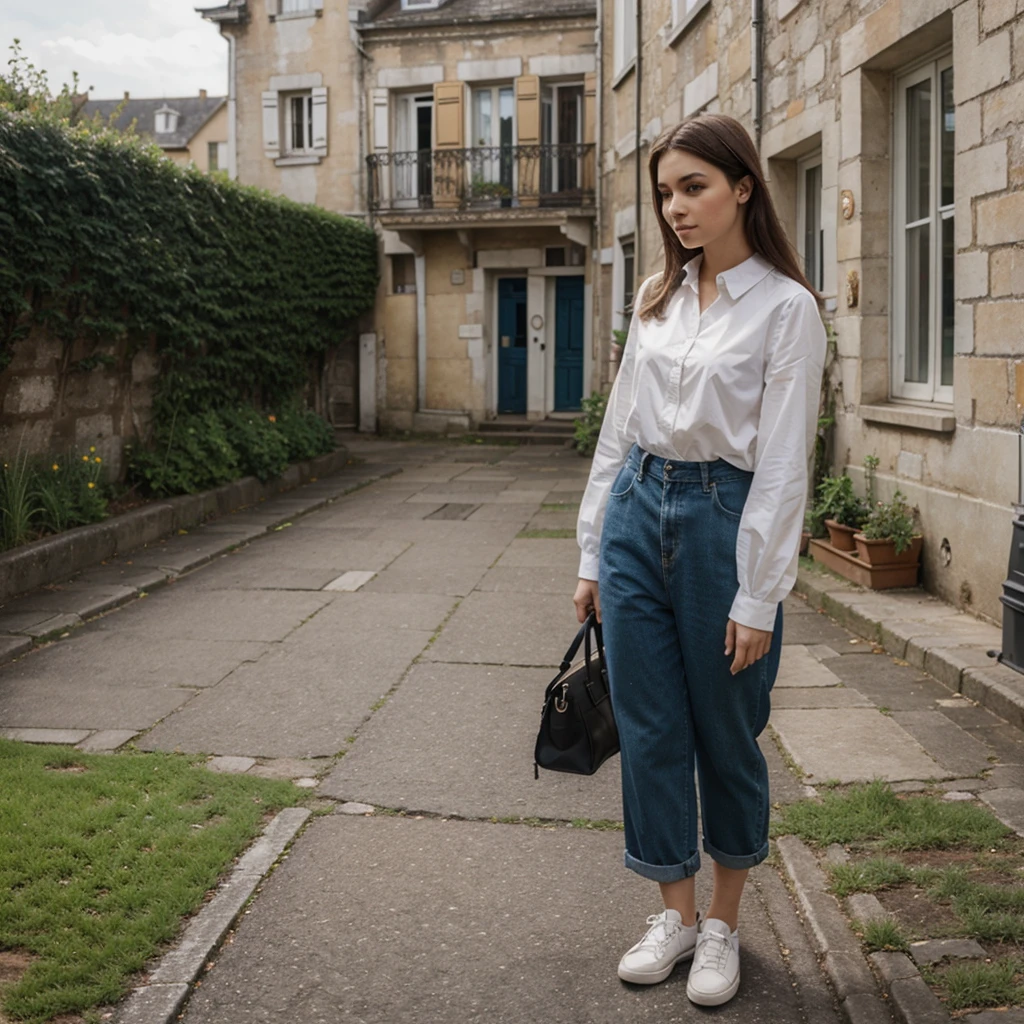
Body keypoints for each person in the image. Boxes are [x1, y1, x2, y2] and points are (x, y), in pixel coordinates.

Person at [573, 113, 827, 1007]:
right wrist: (593, 551)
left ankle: (722, 926)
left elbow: (788, 460)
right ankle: (673, 916)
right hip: (639, 511)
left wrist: (759, 594)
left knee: (727, 731)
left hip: (725, 520)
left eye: (695, 187)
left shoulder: (788, 309)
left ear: (744, 187)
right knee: (648, 731)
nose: (677, 207)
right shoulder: (657, 297)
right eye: (667, 192)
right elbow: (618, 432)